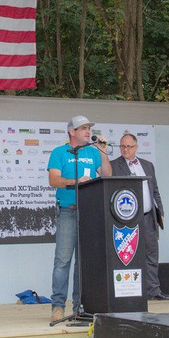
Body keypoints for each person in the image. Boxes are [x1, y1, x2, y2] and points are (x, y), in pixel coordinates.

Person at [46, 115, 111, 323]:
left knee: (83, 264)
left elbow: (107, 175)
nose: (87, 131)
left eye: (89, 128)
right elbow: (53, 179)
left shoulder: (93, 152)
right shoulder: (60, 152)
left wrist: (103, 153)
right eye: (83, 128)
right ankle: (57, 306)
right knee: (63, 260)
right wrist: (77, 181)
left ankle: (79, 306)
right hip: (67, 211)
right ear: (71, 132)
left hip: (89, 213)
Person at [109, 133, 169, 300]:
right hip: (127, 219)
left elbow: (155, 191)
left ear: (136, 147)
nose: (125, 150)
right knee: (128, 254)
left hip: (149, 216)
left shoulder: (148, 165)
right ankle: (130, 292)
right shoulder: (113, 165)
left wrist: (160, 213)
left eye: (128, 146)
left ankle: (153, 291)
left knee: (151, 253)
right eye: (122, 146)